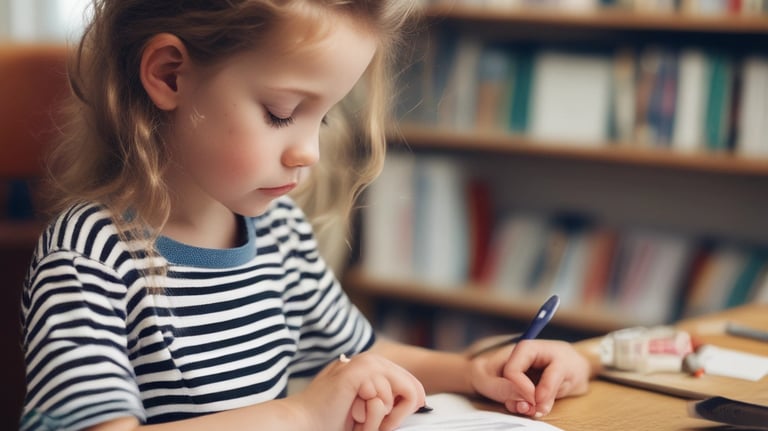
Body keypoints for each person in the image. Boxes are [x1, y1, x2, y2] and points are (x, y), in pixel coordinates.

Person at [20, 1, 593, 430]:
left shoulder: (277, 231)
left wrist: (476, 370)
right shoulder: (86, 259)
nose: (309, 153)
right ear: (170, 75)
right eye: (281, 113)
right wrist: (301, 415)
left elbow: (368, 349)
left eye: (320, 119)